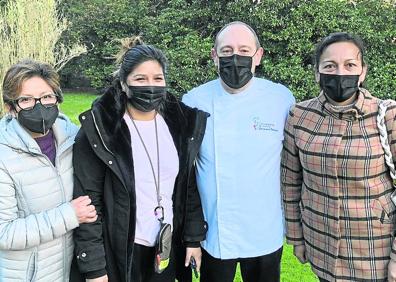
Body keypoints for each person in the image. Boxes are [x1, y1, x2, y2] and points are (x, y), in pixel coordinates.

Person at [72, 36, 208, 282]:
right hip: (122, 252)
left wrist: (192, 238)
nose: (151, 87)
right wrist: (94, 268)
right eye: (140, 79)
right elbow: (88, 201)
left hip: (164, 247)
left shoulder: (179, 125)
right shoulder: (101, 131)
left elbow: (187, 186)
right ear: (124, 84)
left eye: (158, 79)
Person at [182, 21, 295, 282]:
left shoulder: (281, 99)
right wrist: (192, 236)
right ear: (214, 55)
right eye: (227, 50)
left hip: (264, 231)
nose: (235, 58)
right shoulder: (194, 101)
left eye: (244, 51)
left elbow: (293, 164)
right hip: (216, 232)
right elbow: (185, 175)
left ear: (258, 55)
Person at [281, 32, 396, 282]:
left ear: (362, 72)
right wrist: (296, 237)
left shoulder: (387, 116)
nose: (340, 73)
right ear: (317, 72)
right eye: (330, 66)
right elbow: (291, 184)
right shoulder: (299, 116)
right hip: (322, 250)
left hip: (376, 253)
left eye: (350, 65)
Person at [0, 59, 97, 281]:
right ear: (10, 107)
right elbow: (4, 233)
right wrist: (70, 215)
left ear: (57, 99)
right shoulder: (3, 156)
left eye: (46, 97)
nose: (39, 106)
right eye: (26, 100)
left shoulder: (73, 139)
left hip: (68, 269)